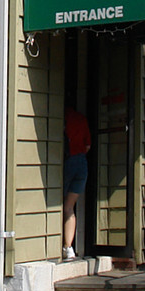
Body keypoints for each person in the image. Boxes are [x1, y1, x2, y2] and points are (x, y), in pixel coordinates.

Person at [62, 105, 91, 261]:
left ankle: (62, 245)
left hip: (68, 161)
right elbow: (88, 145)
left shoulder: (63, 117)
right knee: (69, 207)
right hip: (81, 162)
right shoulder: (81, 118)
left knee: (58, 203)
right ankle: (68, 247)